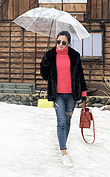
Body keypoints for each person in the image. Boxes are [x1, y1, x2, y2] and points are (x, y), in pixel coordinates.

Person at [40, 30, 87, 167]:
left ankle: (62, 144)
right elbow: (45, 76)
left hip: (71, 94)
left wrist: (83, 92)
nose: (60, 44)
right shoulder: (49, 55)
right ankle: (64, 152)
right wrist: (44, 63)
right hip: (57, 94)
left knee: (67, 120)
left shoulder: (74, 56)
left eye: (63, 42)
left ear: (68, 43)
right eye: (58, 41)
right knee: (61, 121)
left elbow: (80, 75)